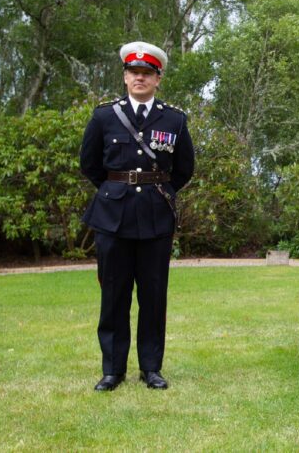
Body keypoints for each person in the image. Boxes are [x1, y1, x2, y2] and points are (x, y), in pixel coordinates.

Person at [80, 41, 194, 391]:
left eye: (147, 73)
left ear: (157, 79)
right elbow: (90, 165)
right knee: (113, 294)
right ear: (125, 77)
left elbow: (184, 169)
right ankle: (113, 370)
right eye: (134, 73)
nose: (139, 78)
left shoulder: (174, 119)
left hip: (156, 218)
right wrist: (117, 190)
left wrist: (158, 193)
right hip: (112, 218)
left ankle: (151, 368)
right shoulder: (103, 116)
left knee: (153, 295)